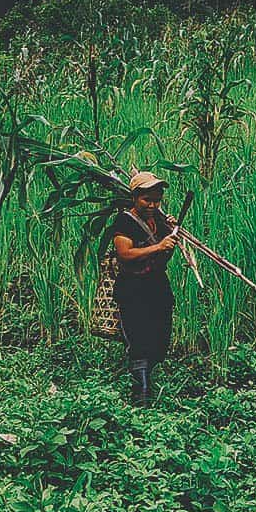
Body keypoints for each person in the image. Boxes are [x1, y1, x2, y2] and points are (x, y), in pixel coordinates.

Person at [111, 171, 178, 405]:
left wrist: (171, 231)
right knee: (138, 339)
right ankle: (141, 395)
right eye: (146, 200)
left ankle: (149, 377)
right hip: (134, 289)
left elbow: (165, 253)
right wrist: (158, 247)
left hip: (157, 286)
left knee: (160, 335)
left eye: (156, 200)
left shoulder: (157, 220)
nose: (152, 205)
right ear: (135, 198)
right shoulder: (124, 221)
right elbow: (125, 254)